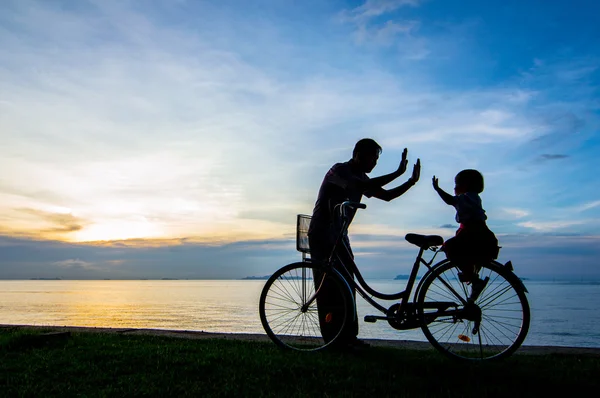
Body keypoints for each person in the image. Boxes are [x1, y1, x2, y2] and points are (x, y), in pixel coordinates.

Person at [308, 138, 421, 349]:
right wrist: (398, 173)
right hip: (323, 233)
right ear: (359, 154)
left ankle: (349, 337)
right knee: (330, 287)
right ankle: (333, 339)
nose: (374, 164)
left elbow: (386, 196)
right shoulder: (340, 171)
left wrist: (410, 181)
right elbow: (362, 185)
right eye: (373, 159)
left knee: (348, 285)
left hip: (340, 235)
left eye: (377, 160)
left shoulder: (361, 176)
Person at [432, 169, 499, 299]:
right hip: (476, 232)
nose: (454, 187)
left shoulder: (468, 197)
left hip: (472, 233)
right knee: (465, 254)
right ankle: (472, 276)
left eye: (457, 184)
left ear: (466, 185)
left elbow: (450, 200)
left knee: (450, 247)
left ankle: (472, 278)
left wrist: (438, 189)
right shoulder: (473, 198)